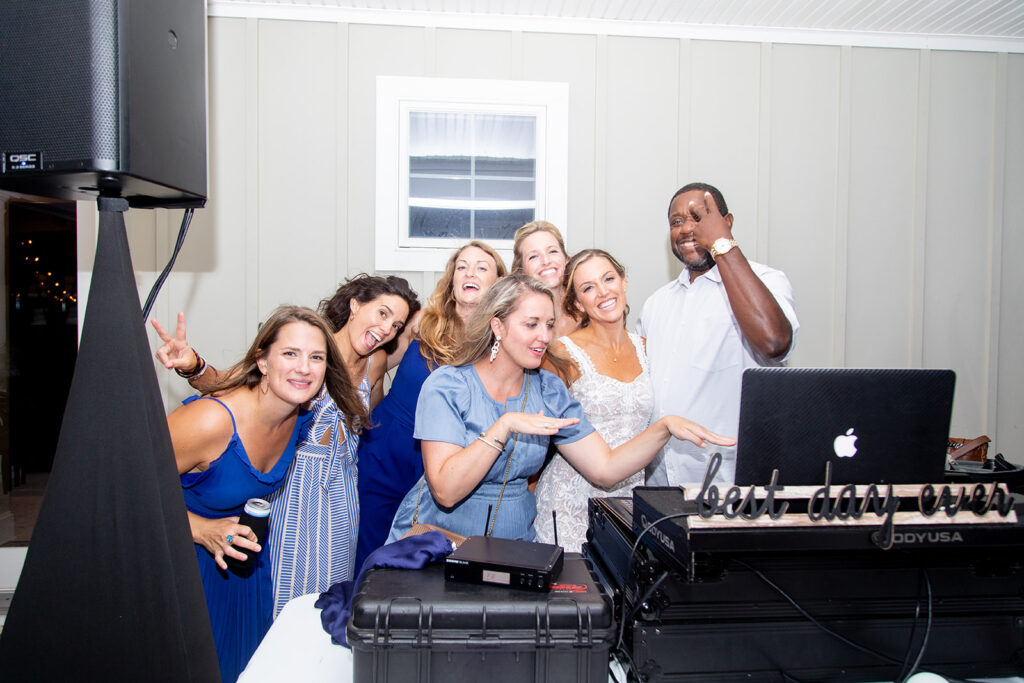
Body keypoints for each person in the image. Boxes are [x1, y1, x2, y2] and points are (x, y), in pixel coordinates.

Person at [387, 274, 734, 542]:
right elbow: (446, 491)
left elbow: (605, 468)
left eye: (549, 325)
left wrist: (663, 428)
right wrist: (503, 426)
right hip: (439, 540)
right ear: (498, 326)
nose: (544, 336)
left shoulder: (548, 390)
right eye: (531, 324)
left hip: (514, 543)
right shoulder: (448, 385)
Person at [153, 275, 418, 615]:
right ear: (355, 305)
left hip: (342, 497)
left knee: (329, 600)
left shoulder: (376, 362)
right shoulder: (309, 350)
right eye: (382, 313)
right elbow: (233, 383)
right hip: (292, 491)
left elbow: (363, 421)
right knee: (280, 596)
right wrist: (194, 366)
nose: (386, 329)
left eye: (396, 325)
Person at [168, 305, 351, 682]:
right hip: (182, 564)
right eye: (290, 353)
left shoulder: (299, 416)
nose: (304, 368)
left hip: (242, 568)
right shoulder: (211, 421)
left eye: (316, 357)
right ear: (262, 361)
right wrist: (202, 529)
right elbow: (129, 488)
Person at [355, 242, 506, 568]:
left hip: (439, 463)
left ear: (498, 282)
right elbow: (372, 366)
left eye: (481, 267)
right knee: (367, 549)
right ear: (452, 278)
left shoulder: (500, 341)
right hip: (384, 448)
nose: (470, 273)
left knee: (414, 558)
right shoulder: (423, 321)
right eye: (462, 266)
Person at [638, 182, 799, 486]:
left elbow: (774, 342)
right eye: (676, 221)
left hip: (732, 482)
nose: (687, 228)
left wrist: (721, 243)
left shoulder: (766, 280)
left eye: (699, 217)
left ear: (727, 222)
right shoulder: (655, 303)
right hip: (661, 481)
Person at [534, 249, 651, 551]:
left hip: (629, 502)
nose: (603, 292)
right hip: (570, 501)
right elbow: (538, 433)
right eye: (588, 287)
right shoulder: (560, 354)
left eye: (608, 279)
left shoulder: (648, 348)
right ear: (576, 303)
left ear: (623, 282)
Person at [512, 220, 578, 338]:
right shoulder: (516, 322)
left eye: (552, 251)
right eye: (533, 256)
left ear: (566, 259)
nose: (546, 261)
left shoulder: (588, 310)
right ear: (521, 271)